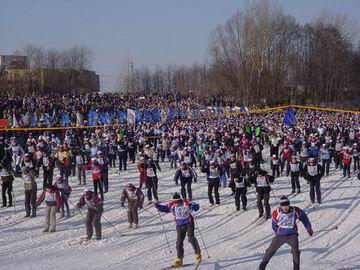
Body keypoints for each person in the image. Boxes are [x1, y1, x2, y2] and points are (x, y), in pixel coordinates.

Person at [258, 196, 313, 270]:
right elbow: (274, 226)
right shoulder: (276, 213)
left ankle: (296, 268)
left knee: (295, 251)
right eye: (283, 206)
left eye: (286, 205)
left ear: (289, 205)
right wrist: (279, 232)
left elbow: (304, 218)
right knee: (270, 250)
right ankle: (261, 267)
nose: (285, 207)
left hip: (292, 235)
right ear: (280, 206)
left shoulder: (295, 211)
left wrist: (308, 228)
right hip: (280, 236)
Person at [155, 193, 202, 267]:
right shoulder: (172, 205)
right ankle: (179, 259)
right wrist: (158, 207)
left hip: (189, 223)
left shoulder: (185, 203)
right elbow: (165, 209)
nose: (175, 203)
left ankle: (198, 254)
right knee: (179, 242)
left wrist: (195, 206)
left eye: (177, 201)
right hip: (179, 225)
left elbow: (196, 207)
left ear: (180, 200)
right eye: (174, 201)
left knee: (190, 237)